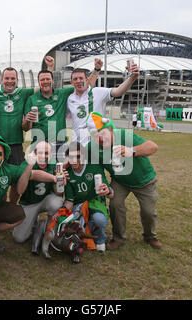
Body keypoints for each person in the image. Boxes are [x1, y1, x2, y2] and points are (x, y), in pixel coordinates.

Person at [86, 111, 162, 250]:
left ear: (110, 130)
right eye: (96, 136)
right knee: (115, 205)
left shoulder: (126, 135)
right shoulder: (94, 147)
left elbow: (153, 146)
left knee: (148, 212)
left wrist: (131, 151)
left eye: (103, 134)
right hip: (120, 181)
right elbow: (79, 154)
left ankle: (150, 236)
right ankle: (119, 238)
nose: (100, 140)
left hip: (144, 180)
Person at [0, 56, 55, 166]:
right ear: (2, 80)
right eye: (7, 78)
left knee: (17, 177)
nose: (9, 81)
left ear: (17, 80)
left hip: (15, 145)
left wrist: (50, 68)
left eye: (12, 79)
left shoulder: (22, 93)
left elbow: (42, 86)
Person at [22, 59, 102, 158]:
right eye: (42, 80)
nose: (45, 82)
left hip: (59, 144)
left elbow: (85, 84)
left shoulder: (61, 94)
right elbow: (26, 128)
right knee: (40, 171)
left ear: (53, 81)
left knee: (59, 171)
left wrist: (96, 70)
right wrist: (27, 120)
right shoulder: (31, 99)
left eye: (48, 79)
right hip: (39, 143)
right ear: (39, 82)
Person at [57, 141, 114, 252]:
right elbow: (69, 200)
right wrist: (61, 212)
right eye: (71, 156)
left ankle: (100, 238)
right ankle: (86, 229)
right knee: (70, 224)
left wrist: (108, 191)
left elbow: (111, 194)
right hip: (78, 206)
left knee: (99, 220)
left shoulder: (94, 167)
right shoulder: (67, 173)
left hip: (94, 202)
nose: (74, 160)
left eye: (78, 156)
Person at [67, 59, 140, 146]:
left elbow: (118, 91)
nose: (78, 81)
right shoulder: (69, 98)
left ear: (86, 80)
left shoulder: (97, 92)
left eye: (81, 78)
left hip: (96, 142)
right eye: (75, 79)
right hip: (77, 143)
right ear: (71, 82)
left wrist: (132, 77)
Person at [12, 141, 64, 255]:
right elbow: (20, 190)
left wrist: (60, 183)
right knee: (19, 238)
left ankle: (50, 229)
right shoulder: (26, 164)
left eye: (46, 153)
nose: (42, 156)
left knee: (57, 202)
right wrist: (30, 166)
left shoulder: (54, 164)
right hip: (29, 202)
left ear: (50, 155)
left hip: (46, 200)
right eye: (39, 153)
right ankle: (35, 223)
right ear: (34, 153)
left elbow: (58, 194)